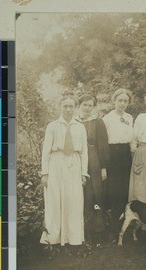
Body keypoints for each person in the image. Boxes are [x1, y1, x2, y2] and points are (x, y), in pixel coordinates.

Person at [40, 92, 89, 255]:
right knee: (55, 200)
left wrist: (84, 173)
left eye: (71, 106)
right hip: (56, 162)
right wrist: (45, 173)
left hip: (74, 163)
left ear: (75, 108)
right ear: (60, 107)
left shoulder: (80, 126)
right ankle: (53, 238)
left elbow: (84, 152)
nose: (68, 109)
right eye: (65, 106)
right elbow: (46, 151)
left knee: (74, 201)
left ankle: (74, 239)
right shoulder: (52, 126)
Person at [76, 93, 110, 245]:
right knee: (79, 194)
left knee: (94, 194)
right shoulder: (74, 121)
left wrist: (103, 167)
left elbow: (103, 146)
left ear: (93, 106)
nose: (87, 108)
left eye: (90, 105)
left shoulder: (98, 122)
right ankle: (80, 231)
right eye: (85, 105)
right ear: (80, 105)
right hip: (76, 161)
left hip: (94, 160)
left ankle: (97, 231)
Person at [102, 88, 134, 241]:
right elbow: (104, 142)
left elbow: (132, 139)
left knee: (125, 190)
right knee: (114, 191)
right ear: (114, 101)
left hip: (126, 155)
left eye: (125, 101)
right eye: (119, 100)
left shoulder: (129, 117)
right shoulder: (107, 118)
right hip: (112, 155)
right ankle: (113, 230)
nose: (122, 103)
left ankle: (124, 228)